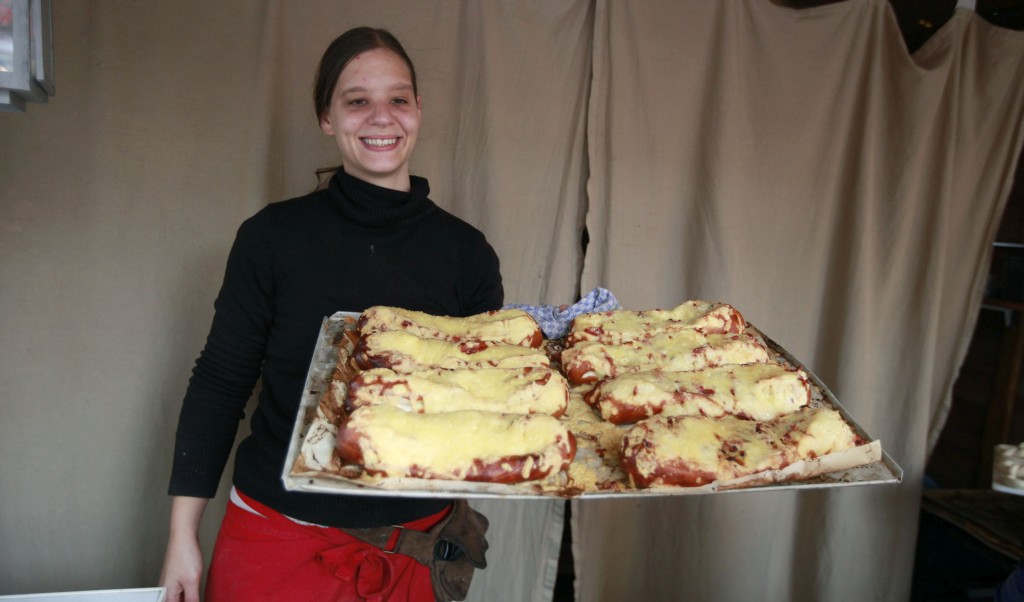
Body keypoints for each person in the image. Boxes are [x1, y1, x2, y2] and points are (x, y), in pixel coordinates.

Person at [159, 26, 502, 602]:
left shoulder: (467, 253)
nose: (381, 117)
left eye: (398, 99)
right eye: (357, 100)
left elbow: (481, 400)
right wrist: (181, 536)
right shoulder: (272, 237)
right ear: (326, 117)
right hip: (275, 542)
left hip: (414, 551)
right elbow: (220, 382)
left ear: (418, 109)